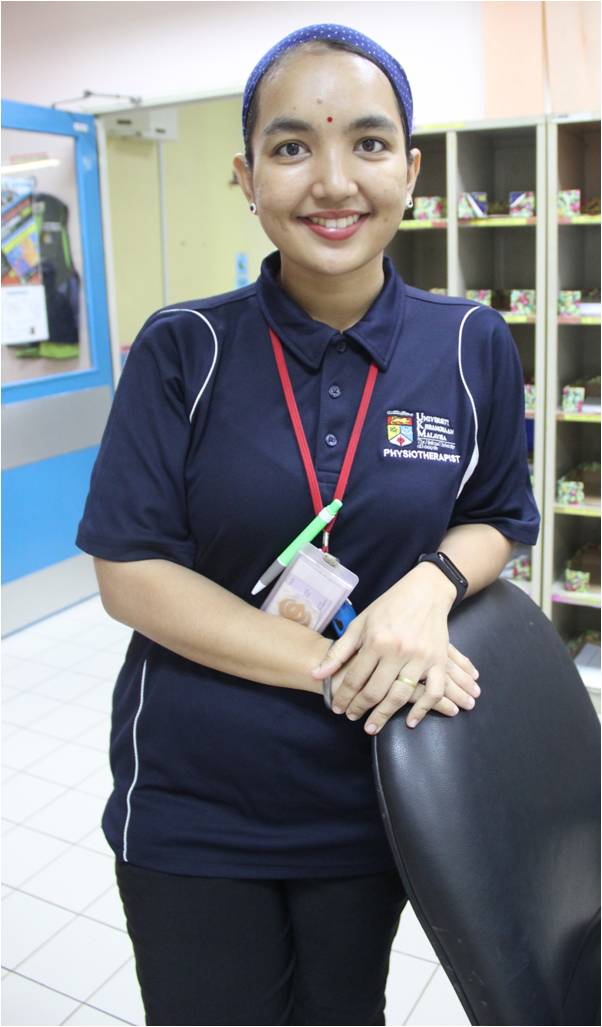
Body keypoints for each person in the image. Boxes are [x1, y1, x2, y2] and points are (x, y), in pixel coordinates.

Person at [76, 23, 540, 1026]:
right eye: (292, 146)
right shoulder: (183, 349)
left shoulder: (471, 343)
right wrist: (346, 665)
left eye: (367, 142)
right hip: (194, 795)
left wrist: (426, 588)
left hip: (378, 788)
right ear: (246, 177)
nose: (333, 181)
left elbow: (500, 514)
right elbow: (130, 572)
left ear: (410, 170)